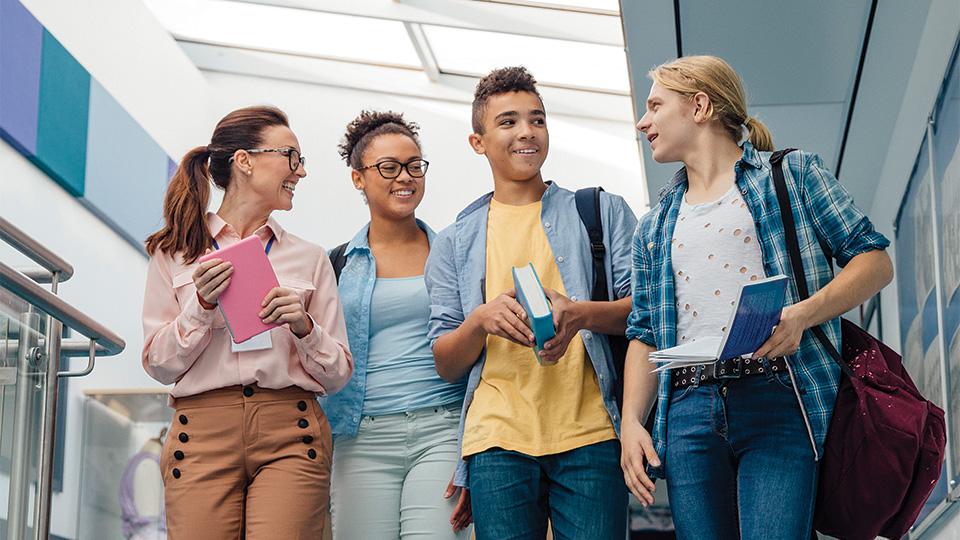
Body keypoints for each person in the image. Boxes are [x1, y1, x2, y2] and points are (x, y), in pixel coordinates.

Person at [620, 55, 894, 539]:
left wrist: (801, 316)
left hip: (778, 396)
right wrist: (631, 423)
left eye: (655, 105)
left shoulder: (792, 175)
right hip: (687, 410)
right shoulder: (654, 224)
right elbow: (643, 332)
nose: (644, 122)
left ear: (699, 105)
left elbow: (874, 262)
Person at [425, 66, 637, 539]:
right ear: (477, 142)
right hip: (496, 440)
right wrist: (479, 321)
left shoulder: (601, 211)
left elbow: (644, 314)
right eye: (507, 122)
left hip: (593, 435)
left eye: (536, 119)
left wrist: (579, 314)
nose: (526, 132)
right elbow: (444, 361)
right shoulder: (455, 242)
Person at [141, 106, 352, 539]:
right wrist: (200, 305)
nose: (302, 172)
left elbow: (338, 374)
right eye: (292, 157)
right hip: (200, 434)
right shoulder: (172, 251)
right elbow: (159, 364)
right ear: (245, 160)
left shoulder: (310, 258)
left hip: (290, 429)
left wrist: (304, 328)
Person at [322, 110, 471, 539]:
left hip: (441, 430)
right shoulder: (336, 264)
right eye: (388, 167)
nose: (404, 177)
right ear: (358, 178)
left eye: (414, 165)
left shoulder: (455, 254)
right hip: (360, 438)